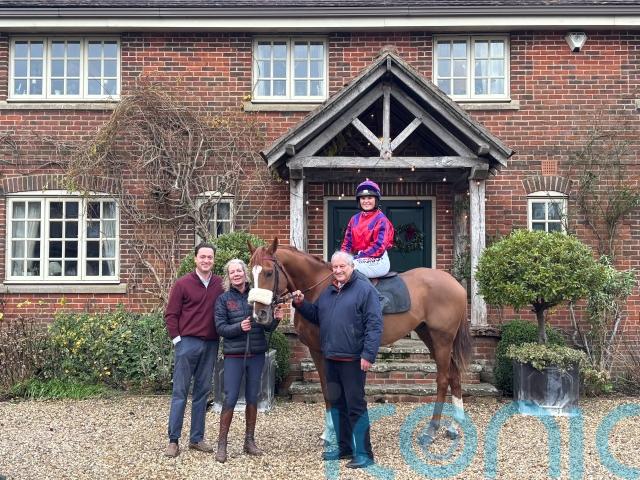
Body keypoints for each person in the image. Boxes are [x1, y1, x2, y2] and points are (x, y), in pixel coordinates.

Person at [291, 251, 383, 469]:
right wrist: (301, 304)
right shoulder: (330, 291)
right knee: (337, 405)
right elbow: (317, 315)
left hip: (353, 359)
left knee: (355, 406)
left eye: (343, 266)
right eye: (335, 267)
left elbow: (374, 325)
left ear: (352, 267)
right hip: (331, 358)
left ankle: (364, 454)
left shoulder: (364, 290)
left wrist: (368, 354)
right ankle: (344, 448)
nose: (338, 270)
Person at [214, 258, 284, 463]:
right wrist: (238, 328)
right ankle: (222, 444)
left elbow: (266, 326)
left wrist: (276, 318)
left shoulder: (258, 295)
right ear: (228, 276)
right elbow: (220, 327)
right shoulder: (223, 299)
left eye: (239, 270)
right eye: (232, 272)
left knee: (253, 396)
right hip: (234, 356)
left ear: (245, 273)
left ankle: (249, 441)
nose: (236, 274)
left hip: (256, 354)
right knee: (230, 397)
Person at [164, 242, 224, 458]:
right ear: (195, 259)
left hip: (210, 343)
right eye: (202, 257)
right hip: (187, 343)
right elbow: (171, 314)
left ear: (214, 260)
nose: (206, 260)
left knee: (202, 392)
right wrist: (178, 341)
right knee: (180, 392)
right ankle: (173, 440)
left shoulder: (220, 284)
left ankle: (196, 438)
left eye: (210, 257)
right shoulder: (182, 284)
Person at [341, 179, 395, 279]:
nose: (366, 201)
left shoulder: (381, 219)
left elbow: (379, 246)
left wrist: (358, 257)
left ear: (376, 200)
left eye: (369, 198)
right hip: (358, 259)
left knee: (348, 269)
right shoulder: (354, 219)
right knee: (338, 268)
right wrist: (342, 257)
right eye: (363, 198)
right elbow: (347, 243)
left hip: (378, 260)